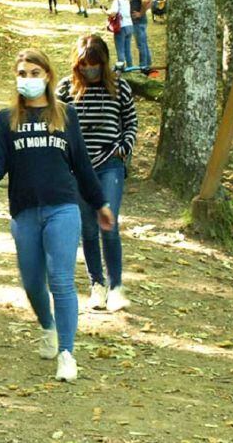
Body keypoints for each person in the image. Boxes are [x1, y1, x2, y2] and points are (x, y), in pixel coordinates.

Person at [0, 48, 114, 383]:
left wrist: (100, 204)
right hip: (24, 212)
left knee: (61, 279)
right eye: (22, 74)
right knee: (33, 282)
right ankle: (48, 327)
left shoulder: (65, 115)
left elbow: (81, 165)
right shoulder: (5, 119)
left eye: (35, 73)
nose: (28, 80)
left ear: (48, 76)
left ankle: (67, 353)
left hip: (62, 208)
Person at [58, 35, 137, 313]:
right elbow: (54, 123)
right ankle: (97, 284)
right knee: (88, 229)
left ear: (103, 63)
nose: (89, 69)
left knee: (109, 223)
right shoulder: (66, 89)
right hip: (77, 169)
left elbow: (130, 120)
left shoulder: (120, 88)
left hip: (109, 164)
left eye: (94, 64)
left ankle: (116, 286)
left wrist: (124, 147)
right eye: (84, 64)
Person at [129, 0, 152, 69]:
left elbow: (146, 1)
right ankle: (147, 64)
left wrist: (140, 13)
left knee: (141, 45)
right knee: (143, 43)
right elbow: (149, 1)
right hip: (139, 22)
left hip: (138, 22)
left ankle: (143, 66)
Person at [109, 0, 134, 67]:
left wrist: (105, 12)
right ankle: (130, 67)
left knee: (120, 49)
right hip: (129, 25)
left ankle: (121, 67)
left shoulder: (117, 1)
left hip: (121, 26)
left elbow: (113, 13)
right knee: (128, 49)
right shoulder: (127, 1)